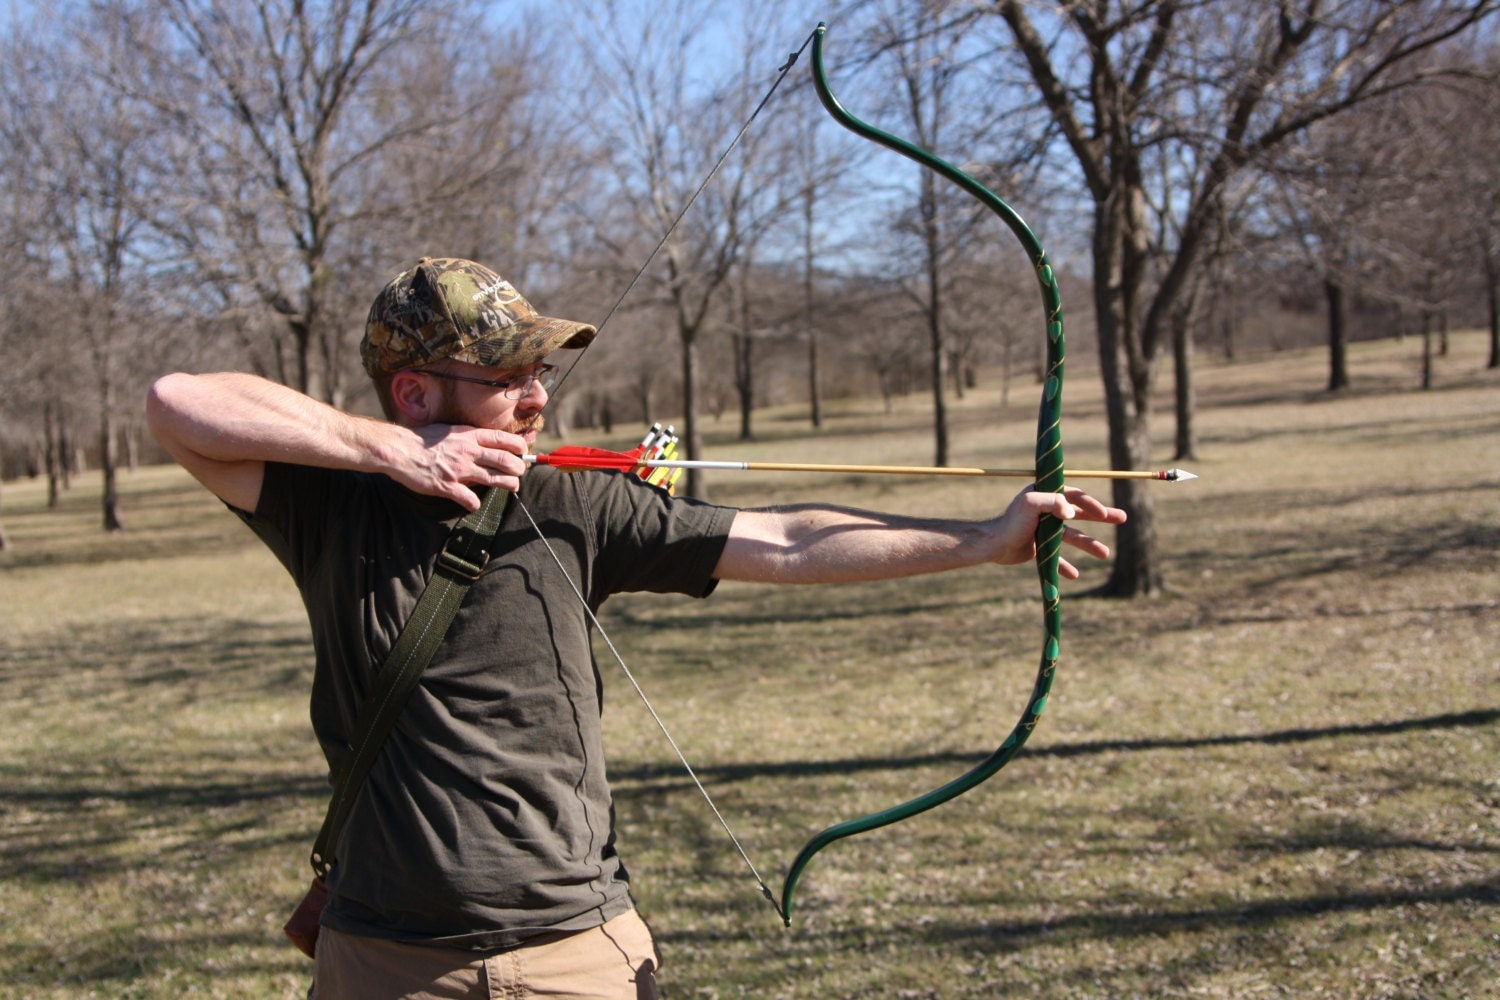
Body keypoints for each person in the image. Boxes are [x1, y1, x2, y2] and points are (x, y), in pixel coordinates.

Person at [146, 256, 1126, 1000]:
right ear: (414, 392)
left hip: (577, 953)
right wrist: (390, 452)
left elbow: (786, 539)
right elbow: (177, 400)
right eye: (504, 373)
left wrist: (988, 539)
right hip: (381, 960)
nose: (536, 394)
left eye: (540, 369)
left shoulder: (577, 504)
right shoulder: (332, 504)